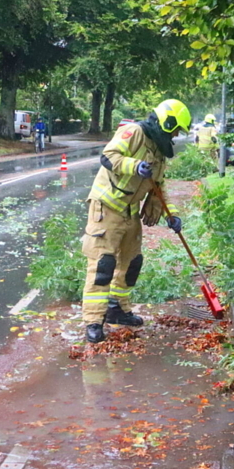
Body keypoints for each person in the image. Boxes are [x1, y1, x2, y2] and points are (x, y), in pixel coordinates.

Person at [80, 98, 191, 343]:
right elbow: (109, 156)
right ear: (167, 122)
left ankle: (117, 309)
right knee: (103, 266)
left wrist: (172, 215)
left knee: (131, 263)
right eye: (174, 130)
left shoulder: (159, 151)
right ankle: (93, 321)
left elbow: (159, 187)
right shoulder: (135, 132)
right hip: (106, 209)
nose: (174, 135)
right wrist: (134, 165)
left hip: (130, 212)